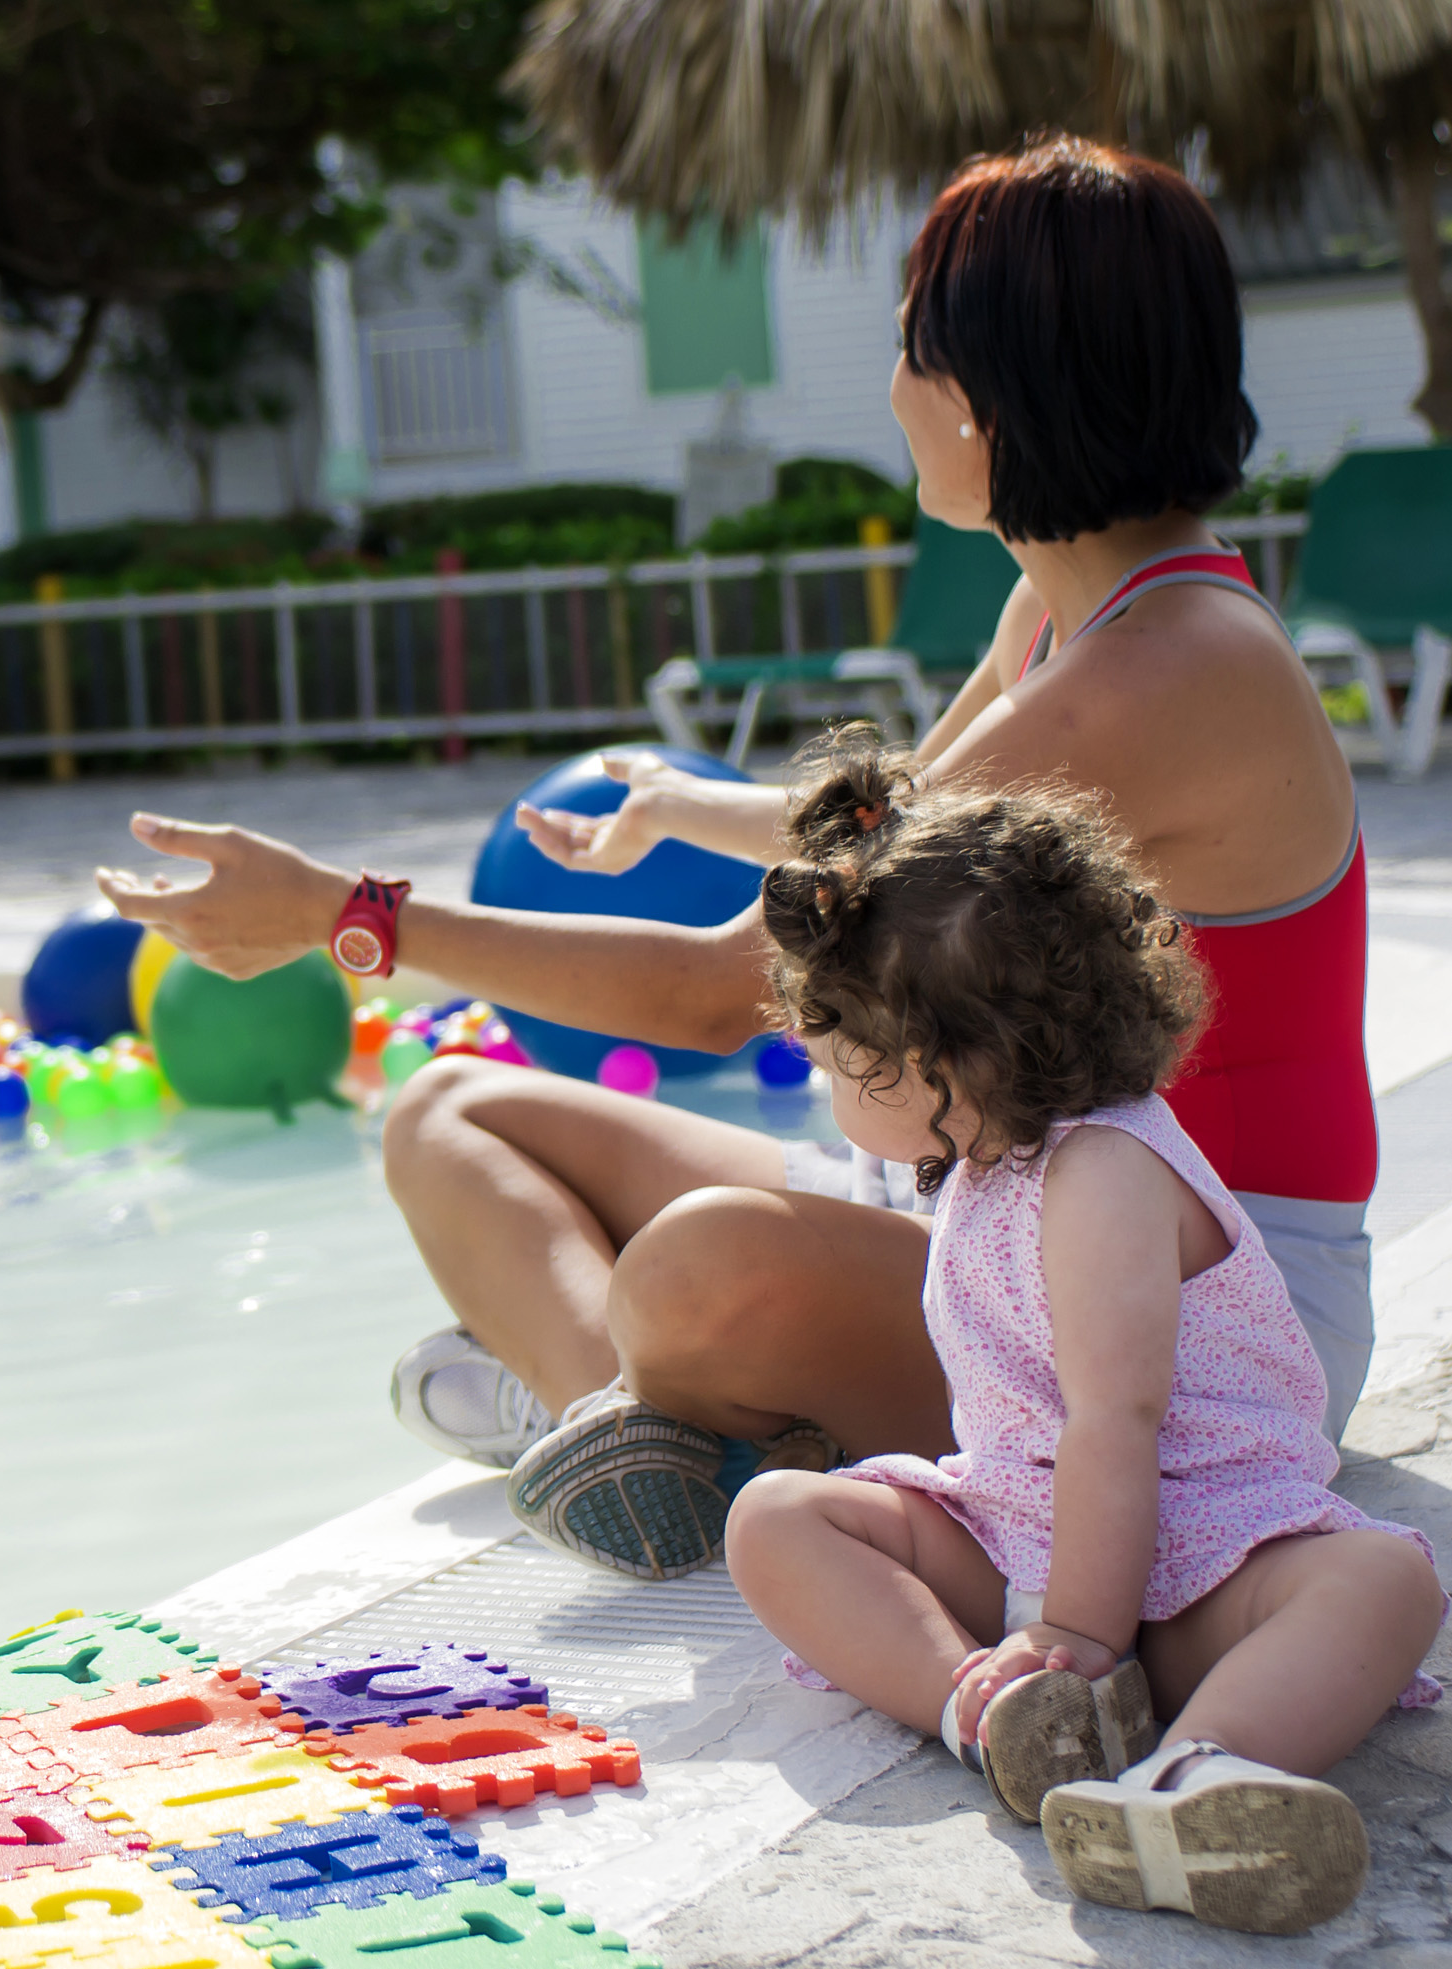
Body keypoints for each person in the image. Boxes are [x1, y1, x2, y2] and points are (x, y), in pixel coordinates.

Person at [96, 135, 1376, 1581]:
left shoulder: (1168, 668)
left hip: (1189, 1318)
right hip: (987, 1215)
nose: (891, 389)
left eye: (913, 348)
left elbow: (724, 993)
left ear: (993, 391)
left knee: (691, 1272)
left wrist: (348, 916)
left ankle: (631, 1407)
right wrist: (671, 804)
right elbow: (882, 826)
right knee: (447, 1110)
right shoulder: (1060, 612)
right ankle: (632, 1428)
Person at [723, 737, 1439, 1937]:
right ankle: (993, 1715)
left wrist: (1080, 1631)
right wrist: (1043, 1628)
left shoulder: (1102, 1171)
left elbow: (1117, 1420)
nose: (828, 1090)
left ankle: (1202, 1772)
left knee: (1383, 1580)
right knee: (779, 1518)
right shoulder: (983, 1154)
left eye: (842, 1064)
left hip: (1205, 1550)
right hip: (1020, 1530)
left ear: (939, 1068)